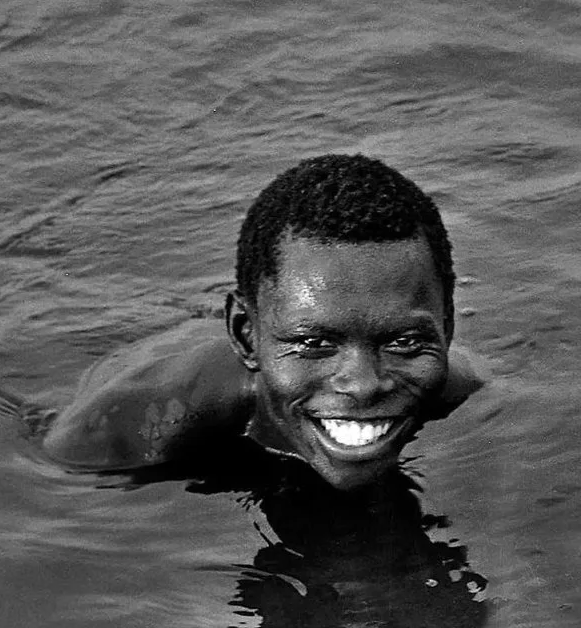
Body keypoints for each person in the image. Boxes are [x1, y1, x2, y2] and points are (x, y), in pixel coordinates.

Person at [41, 153, 486, 489]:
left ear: (447, 325)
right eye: (314, 344)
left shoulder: (465, 389)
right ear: (245, 335)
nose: (364, 385)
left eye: (402, 342)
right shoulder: (121, 435)